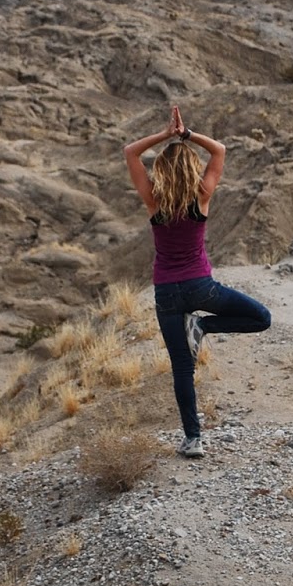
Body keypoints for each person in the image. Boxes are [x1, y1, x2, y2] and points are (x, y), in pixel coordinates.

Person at [123, 104, 271, 458]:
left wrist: (164, 135)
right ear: (192, 168)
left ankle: (193, 439)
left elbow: (130, 152)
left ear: (161, 170)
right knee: (261, 317)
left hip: (166, 294)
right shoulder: (201, 195)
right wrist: (186, 134)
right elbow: (219, 150)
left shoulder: (154, 200)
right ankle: (203, 326)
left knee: (182, 369)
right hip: (201, 288)